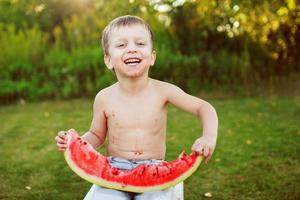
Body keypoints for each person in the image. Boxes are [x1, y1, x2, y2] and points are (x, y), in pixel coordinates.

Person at [55, 15, 218, 200]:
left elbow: (204, 108)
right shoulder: (104, 97)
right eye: (121, 45)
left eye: (140, 43)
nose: (132, 48)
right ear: (108, 60)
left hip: (155, 170)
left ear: (152, 57)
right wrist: (76, 143)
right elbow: (97, 135)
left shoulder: (163, 91)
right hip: (113, 169)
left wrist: (208, 137)